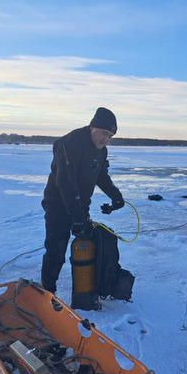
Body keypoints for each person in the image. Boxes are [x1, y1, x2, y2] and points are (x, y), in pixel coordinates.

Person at [40, 107, 124, 294]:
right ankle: (48, 291)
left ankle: (87, 288)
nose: (106, 139)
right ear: (93, 126)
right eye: (104, 133)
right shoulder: (71, 143)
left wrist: (115, 196)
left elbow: (101, 176)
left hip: (80, 205)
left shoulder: (102, 151)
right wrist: (76, 215)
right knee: (57, 249)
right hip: (58, 204)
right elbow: (65, 181)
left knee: (87, 245)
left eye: (110, 136)